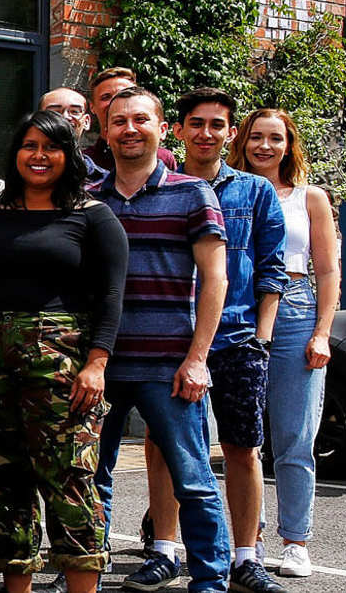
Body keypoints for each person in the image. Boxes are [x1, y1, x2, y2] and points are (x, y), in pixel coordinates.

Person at [0, 110, 128, 593]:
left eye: (51, 147)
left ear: (69, 155)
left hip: (64, 368)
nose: (39, 156)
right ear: (16, 152)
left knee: (70, 483)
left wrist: (97, 364)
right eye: (29, 146)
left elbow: (112, 297)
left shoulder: (94, 217)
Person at [133, 88, 288, 593]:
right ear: (178, 130)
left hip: (238, 338)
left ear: (231, 132)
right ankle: (163, 551)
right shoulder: (160, 187)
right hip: (174, 337)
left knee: (242, 449)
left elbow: (272, 270)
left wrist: (261, 339)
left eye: (217, 125)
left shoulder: (255, 191)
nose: (206, 133)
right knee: (164, 445)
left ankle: (246, 558)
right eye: (196, 123)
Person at [88, 87, 231, 593]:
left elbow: (216, 279)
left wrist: (198, 358)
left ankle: (211, 582)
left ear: (162, 128)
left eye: (140, 119)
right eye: (119, 121)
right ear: (105, 132)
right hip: (100, 365)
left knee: (193, 479)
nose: (129, 128)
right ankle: (83, 576)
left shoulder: (193, 194)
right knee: (89, 478)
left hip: (168, 364)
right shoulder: (88, 198)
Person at [229, 108, 339, 579]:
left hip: (295, 308)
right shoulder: (228, 189)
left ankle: (296, 541)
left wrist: (322, 332)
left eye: (275, 138)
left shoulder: (310, 197)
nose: (265, 146)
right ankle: (248, 540)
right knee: (243, 436)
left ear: (289, 145)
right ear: (243, 141)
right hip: (239, 303)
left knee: (295, 436)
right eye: (256, 137)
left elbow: (328, 270)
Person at [84, 68, 177, 174]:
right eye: (106, 97)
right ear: (92, 106)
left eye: (124, 94)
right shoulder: (83, 162)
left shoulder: (163, 158)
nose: (115, 101)